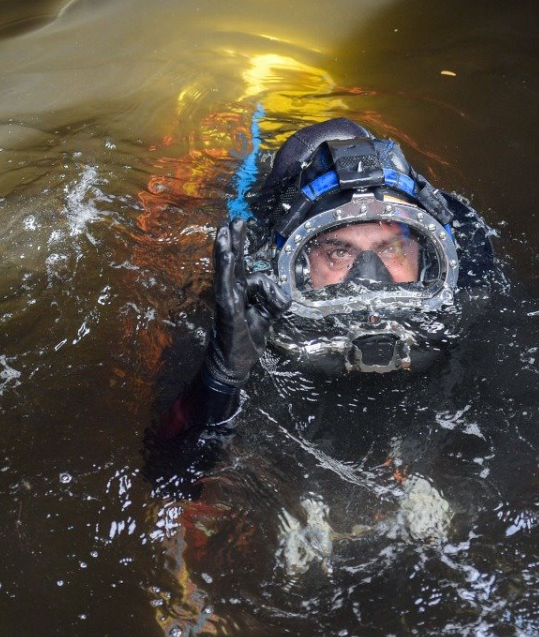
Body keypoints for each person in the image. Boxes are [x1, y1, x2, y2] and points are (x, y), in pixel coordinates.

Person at [147, 117, 496, 492]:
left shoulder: (469, 312)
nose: (368, 279)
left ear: (426, 257)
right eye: (339, 252)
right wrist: (222, 377)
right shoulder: (236, 318)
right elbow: (169, 480)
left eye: (392, 248)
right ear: (298, 265)